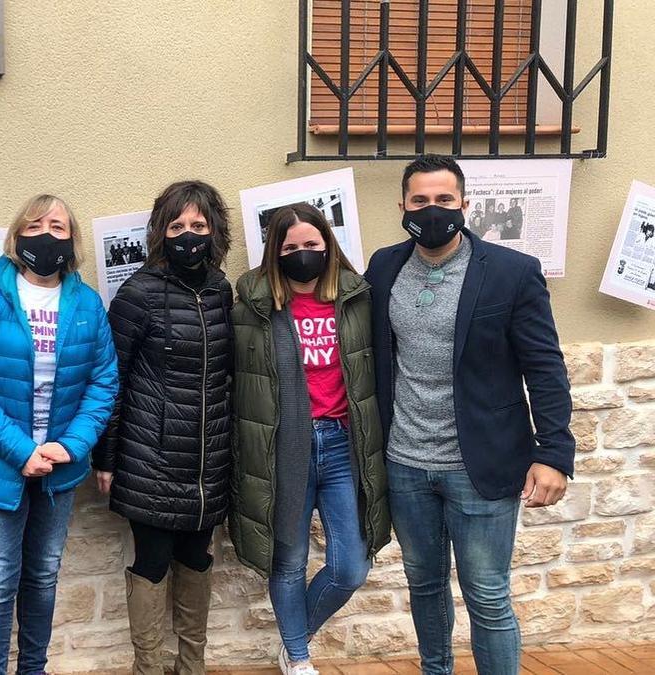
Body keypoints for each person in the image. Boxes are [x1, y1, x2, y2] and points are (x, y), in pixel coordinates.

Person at [364, 154, 573, 675]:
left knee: (487, 596)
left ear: (464, 204)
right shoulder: (384, 266)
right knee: (424, 586)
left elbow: (545, 369)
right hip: (406, 463)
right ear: (402, 206)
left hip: (481, 467)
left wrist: (554, 455)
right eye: (419, 201)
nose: (431, 210)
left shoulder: (511, 272)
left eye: (443, 200)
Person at [0, 194, 118, 675]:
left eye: (59, 227)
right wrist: (21, 450)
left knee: (43, 576)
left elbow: (103, 382)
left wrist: (72, 445)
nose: (47, 234)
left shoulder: (86, 303)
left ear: (73, 240)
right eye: (37, 224)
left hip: (59, 467)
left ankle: (34, 669)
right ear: (17, 235)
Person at [229, 202, 390, 675]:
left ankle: (297, 635)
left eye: (312, 245)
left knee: (350, 569)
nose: (303, 254)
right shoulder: (254, 310)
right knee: (289, 562)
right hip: (285, 450)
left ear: (329, 244)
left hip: (343, 445)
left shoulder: (357, 300)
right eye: (291, 247)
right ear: (275, 253)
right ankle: (298, 660)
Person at [93, 181, 234, 675]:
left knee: (197, 559)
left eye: (198, 226)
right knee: (152, 563)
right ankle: (149, 667)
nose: (188, 236)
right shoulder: (138, 292)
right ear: (159, 232)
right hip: (148, 458)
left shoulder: (220, 289)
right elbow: (111, 380)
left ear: (215, 231)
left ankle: (191, 664)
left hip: (207, 460)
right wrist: (106, 459)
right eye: (177, 226)